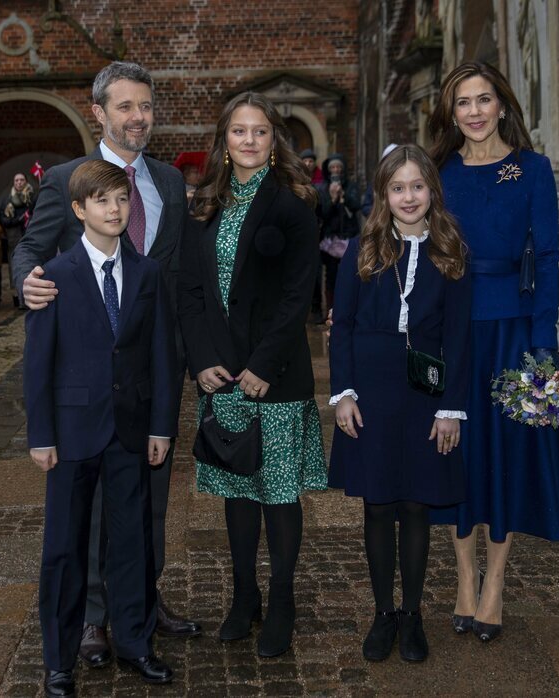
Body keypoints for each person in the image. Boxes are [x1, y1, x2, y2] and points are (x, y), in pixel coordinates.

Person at [11, 61, 201, 664]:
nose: (137, 117)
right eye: (124, 107)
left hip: (150, 371)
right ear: (99, 112)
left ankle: (141, 600)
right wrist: (26, 285)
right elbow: (31, 249)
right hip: (89, 375)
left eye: (145, 106)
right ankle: (92, 617)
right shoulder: (67, 179)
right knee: (88, 507)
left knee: (149, 497)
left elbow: (174, 278)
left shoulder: (168, 181)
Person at [179, 92, 327, 658]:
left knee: (278, 493)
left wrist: (263, 365)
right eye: (238, 131)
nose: (248, 140)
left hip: (276, 375)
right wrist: (201, 361)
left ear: (274, 140)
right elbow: (190, 293)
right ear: (224, 140)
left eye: (259, 132)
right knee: (237, 493)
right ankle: (245, 598)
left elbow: (297, 295)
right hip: (221, 377)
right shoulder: (204, 206)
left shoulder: (292, 203)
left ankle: (282, 601)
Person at [24, 159, 179, 695]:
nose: (114, 210)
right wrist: (41, 435)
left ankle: (136, 642)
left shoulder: (147, 273)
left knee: (132, 540)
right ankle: (59, 659)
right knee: (65, 548)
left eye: (121, 201)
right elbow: (38, 362)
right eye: (102, 202)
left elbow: (161, 352)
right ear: (78, 210)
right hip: (70, 432)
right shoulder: (53, 277)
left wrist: (162, 426)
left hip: (132, 429)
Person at [427, 61, 559, 642]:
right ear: (451, 112)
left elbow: (550, 258)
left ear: (502, 105)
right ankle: (463, 578)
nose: (475, 112)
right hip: (454, 329)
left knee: (508, 454)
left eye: (484, 100)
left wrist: (543, 347)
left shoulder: (533, 170)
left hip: (514, 333)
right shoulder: (436, 173)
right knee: (457, 454)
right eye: (464, 103)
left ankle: (495, 584)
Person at [329, 144, 471, 663]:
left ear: (431, 190)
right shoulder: (362, 250)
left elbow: (458, 337)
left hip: (426, 393)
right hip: (371, 393)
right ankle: (383, 612)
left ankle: (413, 615)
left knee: (415, 503)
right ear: (383, 195)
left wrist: (451, 407)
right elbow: (340, 326)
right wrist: (343, 393)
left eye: (417, 186)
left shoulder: (450, 249)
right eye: (397, 187)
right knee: (378, 504)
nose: (408, 196)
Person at [314, 153, 361, 321]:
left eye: (338, 168)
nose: (336, 171)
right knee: (331, 277)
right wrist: (333, 199)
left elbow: (357, 206)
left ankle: (350, 312)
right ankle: (330, 311)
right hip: (330, 239)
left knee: (351, 275)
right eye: (332, 168)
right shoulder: (322, 188)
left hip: (349, 237)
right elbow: (323, 213)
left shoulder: (351, 186)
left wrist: (344, 195)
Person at [0, 172, 36, 308]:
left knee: (31, 266)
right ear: (13, 183)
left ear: (26, 181)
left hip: (30, 236)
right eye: (16, 180)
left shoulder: (32, 197)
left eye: (21, 180)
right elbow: (2, 218)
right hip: (14, 238)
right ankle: (19, 296)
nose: (19, 182)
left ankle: (32, 297)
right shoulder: (7, 199)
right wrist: (15, 220)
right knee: (15, 269)